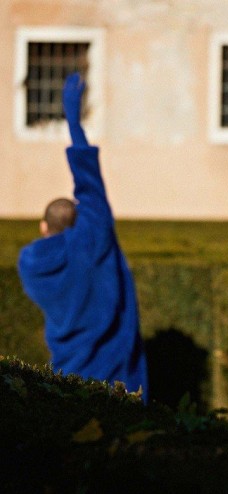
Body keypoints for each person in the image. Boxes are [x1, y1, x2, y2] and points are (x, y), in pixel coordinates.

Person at [17, 73, 149, 402]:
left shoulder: (30, 263)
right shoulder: (92, 235)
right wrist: (73, 121)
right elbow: (88, 179)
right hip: (118, 372)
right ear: (78, 221)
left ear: (42, 227)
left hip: (68, 370)